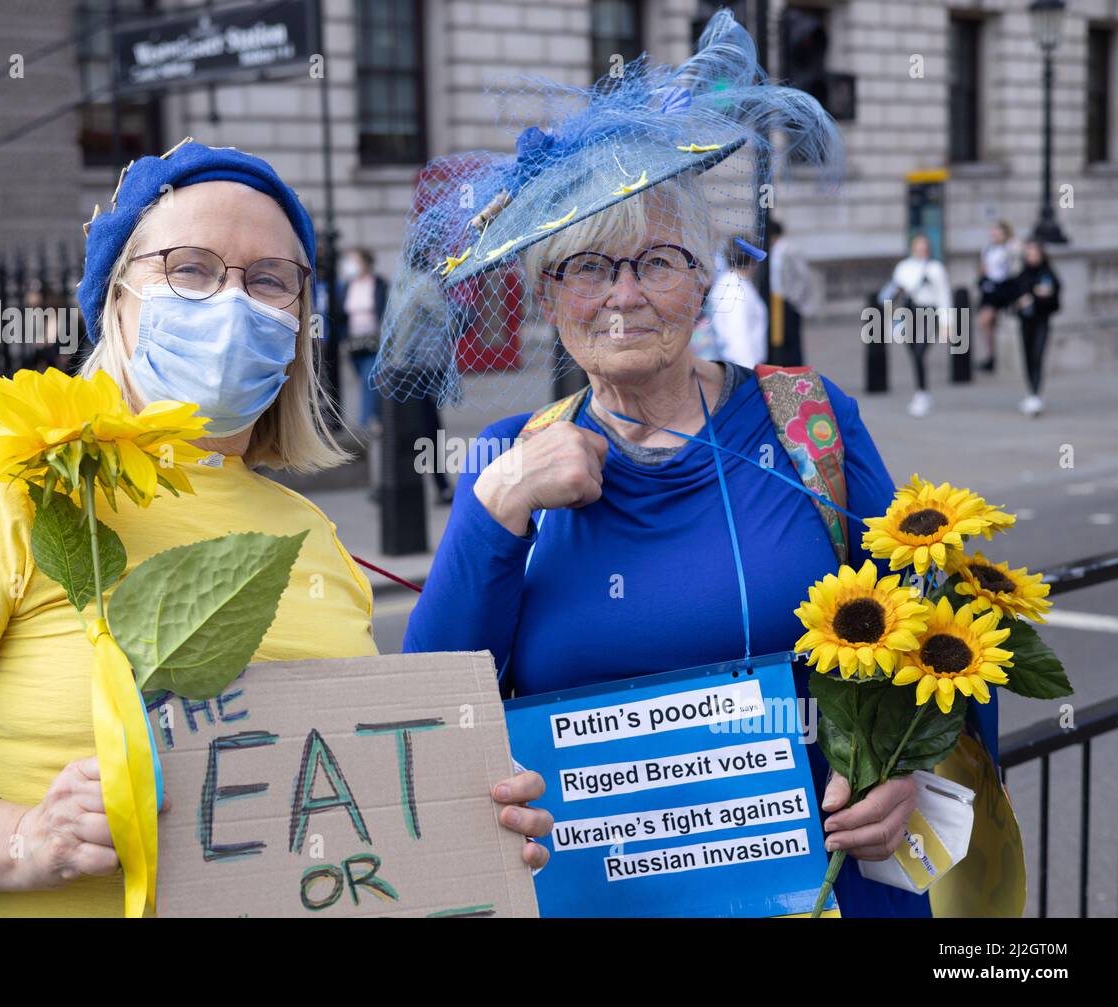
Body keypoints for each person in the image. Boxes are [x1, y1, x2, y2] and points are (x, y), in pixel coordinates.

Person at [0, 140, 551, 917]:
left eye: (269, 279)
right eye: (190, 268)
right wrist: (22, 839)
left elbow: (346, 815)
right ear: (117, 300)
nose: (232, 302)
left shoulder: (315, 539)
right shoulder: (8, 492)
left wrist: (470, 823)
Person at [388, 11, 1005, 917]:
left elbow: (940, 634)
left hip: (829, 893)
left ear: (707, 276)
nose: (625, 295)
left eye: (659, 261)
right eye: (588, 266)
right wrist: (501, 502)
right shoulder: (507, 458)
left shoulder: (809, 421)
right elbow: (435, 713)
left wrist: (908, 773)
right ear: (548, 294)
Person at [886, 233, 951, 419]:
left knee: (920, 351)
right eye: (918, 247)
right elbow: (894, 293)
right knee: (913, 351)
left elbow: (944, 296)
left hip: (929, 312)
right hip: (908, 312)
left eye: (924, 247)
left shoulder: (936, 268)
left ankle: (922, 393)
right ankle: (922, 391)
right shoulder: (903, 268)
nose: (921, 251)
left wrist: (947, 322)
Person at [336, 248, 386, 431]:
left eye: (354, 261)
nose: (350, 265)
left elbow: (384, 310)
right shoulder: (347, 285)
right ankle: (380, 417)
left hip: (373, 341)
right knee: (367, 382)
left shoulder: (378, 283)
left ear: (365, 263)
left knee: (369, 379)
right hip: (354, 342)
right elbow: (341, 314)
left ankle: (364, 425)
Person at [1011, 238, 1062, 417]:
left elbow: (1054, 298)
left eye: (1035, 254)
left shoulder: (1047, 274)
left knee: (1038, 356)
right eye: (1029, 254)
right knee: (1027, 357)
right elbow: (1012, 297)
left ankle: (1035, 394)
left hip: (1041, 320)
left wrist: (1034, 296)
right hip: (1025, 321)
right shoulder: (1022, 275)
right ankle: (1031, 392)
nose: (1032, 257)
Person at [707, 236, 768, 369]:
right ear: (752, 260)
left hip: (735, 366)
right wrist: (751, 375)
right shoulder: (735, 290)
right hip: (742, 369)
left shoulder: (732, 283)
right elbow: (738, 337)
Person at [768, 218, 816, 366]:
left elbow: (804, 276)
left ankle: (795, 369)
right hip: (774, 300)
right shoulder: (772, 251)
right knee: (778, 339)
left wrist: (793, 300)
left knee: (791, 339)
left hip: (787, 300)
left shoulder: (789, 249)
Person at [975, 220, 1019, 373]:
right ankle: (991, 355)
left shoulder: (1009, 248)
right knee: (986, 324)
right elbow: (983, 268)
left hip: (1003, 288)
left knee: (984, 320)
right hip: (989, 287)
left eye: (998, 232)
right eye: (993, 232)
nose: (994, 235)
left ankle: (992, 356)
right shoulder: (988, 249)